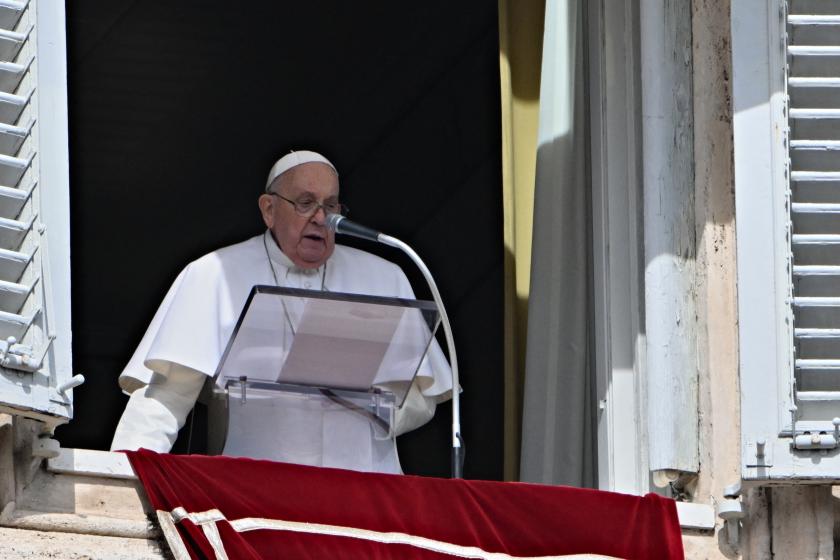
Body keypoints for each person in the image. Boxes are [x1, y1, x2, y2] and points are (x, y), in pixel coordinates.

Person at [110, 150, 453, 474]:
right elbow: (166, 396)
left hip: (364, 484)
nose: (322, 218)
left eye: (331, 205)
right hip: (254, 488)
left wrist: (374, 407)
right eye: (306, 203)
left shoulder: (384, 276)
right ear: (269, 210)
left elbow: (424, 396)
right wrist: (122, 476)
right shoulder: (214, 273)